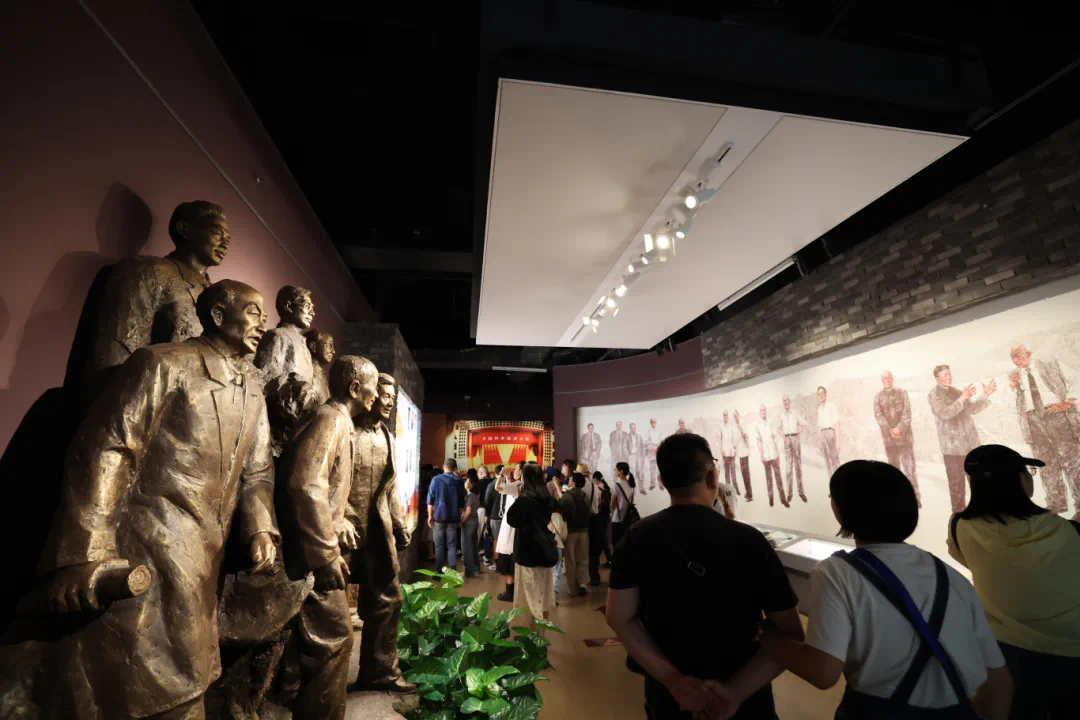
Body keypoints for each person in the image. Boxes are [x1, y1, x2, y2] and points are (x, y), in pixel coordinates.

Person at [31, 280, 276, 719]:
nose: (263, 325)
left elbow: (257, 472)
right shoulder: (163, 364)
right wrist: (86, 552)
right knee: (147, 680)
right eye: (253, 313)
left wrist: (259, 527)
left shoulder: (252, 389)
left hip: (205, 556)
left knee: (179, 676)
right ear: (218, 315)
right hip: (145, 544)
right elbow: (109, 447)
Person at [757, 459, 1012, 720]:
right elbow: (998, 680)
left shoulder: (836, 572)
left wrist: (768, 638)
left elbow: (822, 672)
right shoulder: (950, 575)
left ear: (840, 510)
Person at [607, 432, 805, 719]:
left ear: (662, 481)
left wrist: (674, 680)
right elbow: (790, 632)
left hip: (670, 700)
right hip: (747, 703)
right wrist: (735, 692)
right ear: (712, 476)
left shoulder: (636, 537)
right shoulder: (748, 540)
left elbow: (619, 617)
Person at [278, 355, 378, 719]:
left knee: (327, 641)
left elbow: (326, 485)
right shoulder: (330, 420)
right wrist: (325, 554)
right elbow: (305, 485)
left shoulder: (339, 421)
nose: (375, 395)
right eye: (372, 386)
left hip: (313, 548)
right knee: (334, 638)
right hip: (309, 557)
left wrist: (339, 519)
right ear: (354, 387)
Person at [948, 444, 1080, 718]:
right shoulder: (1069, 532)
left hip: (1006, 654)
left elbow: (966, 559)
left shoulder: (960, 528)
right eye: (1028, 471)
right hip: (1072, 648)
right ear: (1020, 478)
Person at [1001, 344, 1080, 516]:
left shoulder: (1050, 365)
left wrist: (1067, 402)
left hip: (1057, 418)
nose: (1017, 360)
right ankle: (1055, 504)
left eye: (1020, 355)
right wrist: (1013, 387)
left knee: (1072, 463)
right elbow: (1005, 402)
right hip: (1033, 423)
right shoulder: (1013, 376)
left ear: (1029, 354)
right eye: (1014, 357)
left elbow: (1076, 379)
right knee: (1046, 465)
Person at [929, 364, 997, 513]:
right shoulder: (934, 395)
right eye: (945, 375)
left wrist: (985, 394)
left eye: (949, 374)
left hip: (971, 446)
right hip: (952, 450)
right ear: (937, 378)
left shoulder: (958, 392)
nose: (949, 377)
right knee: (957, 489)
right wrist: (962, 398)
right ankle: (958, 519)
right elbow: (945, 413)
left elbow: (973, 409)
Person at [506, 462, 559, 625]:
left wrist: (519, 497)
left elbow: (512, 519)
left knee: (529, 598)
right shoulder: (547, 499)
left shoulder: (525, 500)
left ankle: (531, 635)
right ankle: (541, 633)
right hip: (545, 551)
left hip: (527, 553)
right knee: (543, 596)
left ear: (525, 478)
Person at [874, 370, 920, 507]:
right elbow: (879, 417)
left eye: (889, 378)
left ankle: (914, 499)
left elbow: (907, 413)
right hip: (889, 441)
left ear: (892, 378)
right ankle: (899, 500)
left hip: (904, 438)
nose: (887, 380)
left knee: (909, 470)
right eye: (884, 378)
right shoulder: (878, 397)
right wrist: (890, 430)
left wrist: (899, 429)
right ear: (882, 381)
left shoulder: (902, 393)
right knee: (894, 472)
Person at [494, 462, 525, 602]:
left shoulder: (517, 485)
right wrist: (507, 478)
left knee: (509, 559)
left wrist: (501, 475)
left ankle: (510, 591)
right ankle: (516, 591)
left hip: (510, 528)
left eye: (516, 468)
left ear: (522, 472)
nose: (514, 470)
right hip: (518, 526)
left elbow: (498, 487)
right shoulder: (523, 486)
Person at [559, 473, 592, 597]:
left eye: (570, 479)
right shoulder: (585, 496)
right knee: (583, 559)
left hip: (571, 531)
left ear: (573, 482)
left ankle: (573, 589)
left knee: (571, 560)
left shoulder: (567, 496)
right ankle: (583, 584)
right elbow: (589, 511)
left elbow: (560, 510)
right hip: (584, 531)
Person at [427, 458, 462, 572]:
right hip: (453, 518)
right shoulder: (459, 481)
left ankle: (439, 571)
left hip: (439, 518)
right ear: (455, 468)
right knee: (452, 545)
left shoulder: (436, 480)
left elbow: (430, 500)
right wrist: (459, 517)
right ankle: (452, 571)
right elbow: (462, 502)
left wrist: (430, 516)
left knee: (439, 546)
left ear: (443, 467)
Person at [755, 405, 787, 508]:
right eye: (761, 410)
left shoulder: (771, 422)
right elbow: (758, 441)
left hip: (773, 453)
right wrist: (761, 455)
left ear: (766, 411)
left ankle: (783, 499)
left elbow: (775, 438)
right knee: (768, 478)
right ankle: (771, 498)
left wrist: (777, 452)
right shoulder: (758, 425)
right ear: (759, 412)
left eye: (764, 410)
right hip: (766, 455)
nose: (763, 412)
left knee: (778, 477)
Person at [779, 395, 807, 504]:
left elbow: (803, 423)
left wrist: (798, 433)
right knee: (788, 468)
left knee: (798, 467)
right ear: (783, 403)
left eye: (787, 401)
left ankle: (801, 492)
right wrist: (783, 436)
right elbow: (778, 428)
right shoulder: (781, 415)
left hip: (795, 439)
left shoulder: (794, 413)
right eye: (784, 401)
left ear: (789, 402)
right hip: (787, 440)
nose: (786, 403)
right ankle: (789, 494)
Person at [590, 471, 614, 576]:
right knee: (602, 537)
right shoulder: (606, 487)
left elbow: (597, 503)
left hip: (600, 515)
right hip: (606, 515)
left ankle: (609, 559)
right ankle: (609, 559)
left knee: (602, 538)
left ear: (595, 479)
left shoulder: (598, 488)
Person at [816, 386, 842, 479]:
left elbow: (837, 424)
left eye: (822, 393)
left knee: (835, 461)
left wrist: (838, 442)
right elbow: (820, 427)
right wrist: (820, 442)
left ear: (825, 394)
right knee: (827, 463)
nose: (821, 395)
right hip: (823, 435)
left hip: (831, 433)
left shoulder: (831, 406)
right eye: (819, 394)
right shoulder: (819, 409)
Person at [610, 462, 637, 550]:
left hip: (617, 519)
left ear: (621, 471)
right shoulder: (631, 484)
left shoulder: (616, 485)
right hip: (628, 518)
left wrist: (611, 513)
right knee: (626, 544)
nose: (615, 471)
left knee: (616, 543)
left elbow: (612, 504)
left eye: (616, 469)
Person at [460, 476, 481, 577]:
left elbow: (468, 512)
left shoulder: (469, 496)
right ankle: (476, 568)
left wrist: (461, 522)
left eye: (466, 481)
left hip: (468, 523)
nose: (465, 483)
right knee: (473, 546)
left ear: (470, 485)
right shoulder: (475, 496)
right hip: (474, 523)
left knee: (467, 547)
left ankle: (469, 571)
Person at [549, 504, 569, 603]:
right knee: (557, 570)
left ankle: (546, 594)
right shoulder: (561, 517)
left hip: (547, 546)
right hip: (558, 545)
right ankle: (554, 592)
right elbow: (564, 535)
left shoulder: (544, 516)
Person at [718, 411, 740, 495]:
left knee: (733, 472)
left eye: (726, 415)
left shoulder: (731, 426)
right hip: (725, 453)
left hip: (731, 452)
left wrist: (735, 447)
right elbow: (719, 439)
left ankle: (735, 489)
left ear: (728, 416)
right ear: (723, 416)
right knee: (727, 473)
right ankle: (728, 491)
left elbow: (734, 437)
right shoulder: (721, 427)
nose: (725, 417)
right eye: (724, 415)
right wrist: (721, 450)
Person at [734, 410, 754, 501]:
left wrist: (748, 446)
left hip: (744, 453)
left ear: (739, 415)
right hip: (740, 454)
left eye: (736, 416)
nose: (736, 418)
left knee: (746, 474)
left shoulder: (742, 424)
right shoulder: (737, 426)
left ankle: (750, 495)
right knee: (744, 474)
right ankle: (748, 492)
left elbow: (746, 435)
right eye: (734, 417)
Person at [645, 418, 662, 492]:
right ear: (650, 423)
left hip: (658, 452)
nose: (653, 423)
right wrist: (652, 448)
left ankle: (661, 484)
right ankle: (653, 484)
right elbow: (646, 442)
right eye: (652, 422)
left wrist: (657, 448)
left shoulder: (659, 431)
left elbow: (661, 441)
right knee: (652, 470)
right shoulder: (648, 431)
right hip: (651, 453)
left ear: (656, 422)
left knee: (659, 470)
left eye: (654, 422)